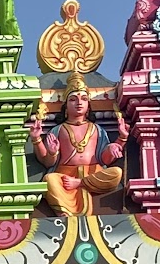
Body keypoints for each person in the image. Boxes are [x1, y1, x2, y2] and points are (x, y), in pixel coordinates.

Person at [27, 70, 128, 217]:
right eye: (73, 99)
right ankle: (64, 211)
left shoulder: (96, 129)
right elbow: (48, 163)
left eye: (84, 99)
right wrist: (40, 142)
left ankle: (80, 183)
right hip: (65, 175)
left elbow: (105, 159)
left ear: (88, 105)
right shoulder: (59, 129)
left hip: (94, 172)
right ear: (66, 106)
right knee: (49, 179)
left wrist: (120, 141)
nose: (79, 102)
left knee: (116, 173)